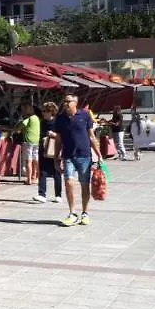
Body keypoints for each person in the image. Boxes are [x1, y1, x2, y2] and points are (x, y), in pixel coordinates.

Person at [49, 94, 99, 227]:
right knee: (69, 182)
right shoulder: (60, 119)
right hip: (68, 156)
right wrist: (55, 158)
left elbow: (91, 136)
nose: (65, 103)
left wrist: (99, 155)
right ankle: (72, 213)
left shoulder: (85, 115)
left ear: (75, 103)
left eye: (68, 101)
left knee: (84, 184)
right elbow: (58, 140)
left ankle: (85, 213)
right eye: (64, 101)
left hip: (84, 156)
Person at [35, 101, 62, 203]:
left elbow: (62, 136)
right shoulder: (42, 122)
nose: (43, 113)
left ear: (51, 112)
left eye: (45, 111)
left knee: (56, 172)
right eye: (43, 111)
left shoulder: (58, 122)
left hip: (54, 149)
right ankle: (42, 194)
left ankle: (58, 195)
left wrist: (53, 134)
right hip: (43, 149)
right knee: (42, 172)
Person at [18, 102, 41, 187]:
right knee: (36, 159)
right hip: (36, 141)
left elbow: (21, 126)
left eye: (24, 109)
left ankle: (29, 179)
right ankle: (36, 177)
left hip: (28, 141)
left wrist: (14, 130)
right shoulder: (37, 118)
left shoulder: (29, 118)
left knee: (28, 160)